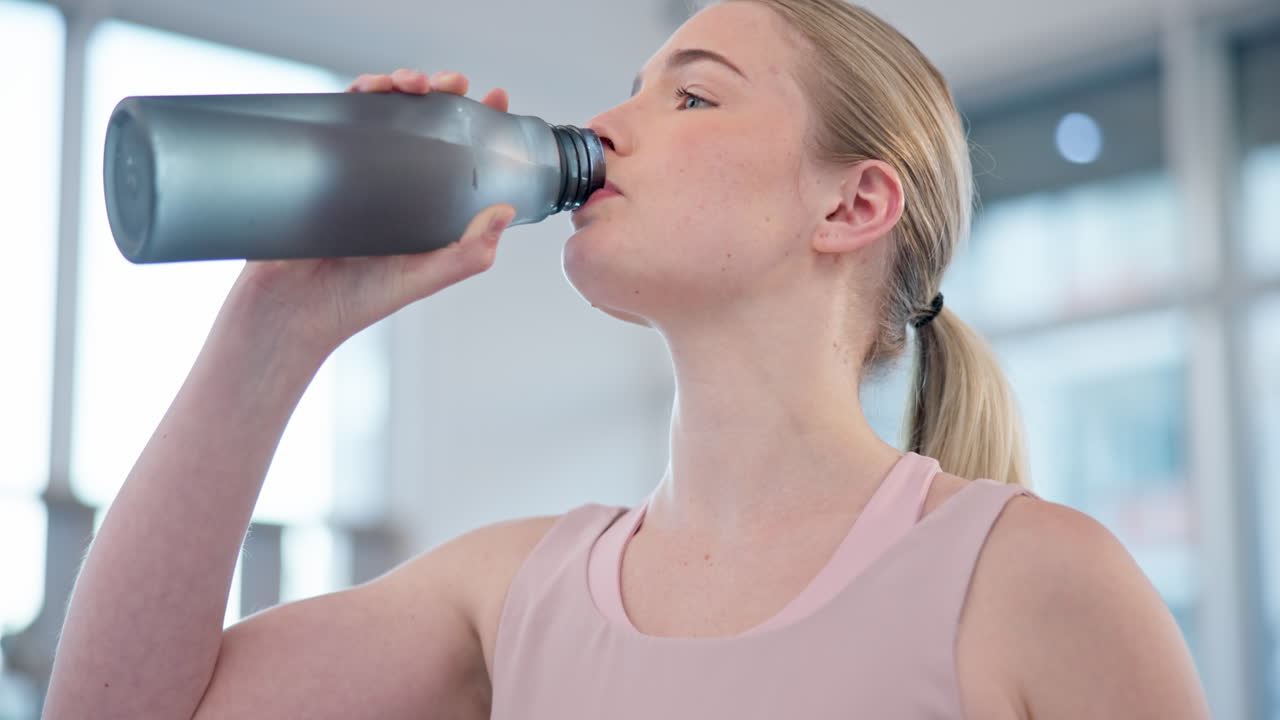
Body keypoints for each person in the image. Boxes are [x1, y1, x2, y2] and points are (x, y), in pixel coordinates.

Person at [44, 1, 1211, 718]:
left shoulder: (1034, 583)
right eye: (633, 84)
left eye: (692, 94)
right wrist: (273, 328)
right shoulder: (507, 597)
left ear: (852, 204)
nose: (606, 122)